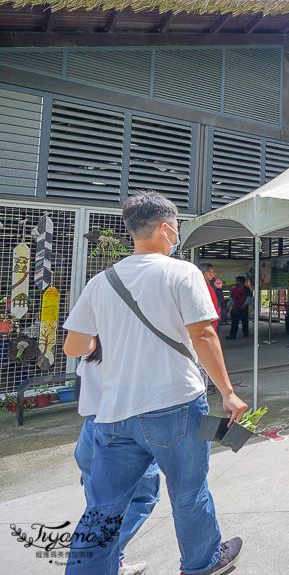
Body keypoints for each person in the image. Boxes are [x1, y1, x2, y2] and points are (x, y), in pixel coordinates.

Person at [63, 190, 246, 575]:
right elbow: (204, 336)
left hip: (114, 412)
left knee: (104, 506)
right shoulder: (182, 272)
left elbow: (74, 345)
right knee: (188, 491)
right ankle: (202, 562)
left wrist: (113, 336)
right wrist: (228, 393)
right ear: (165, 228)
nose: (176, 233)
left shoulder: (103, 281)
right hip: (175, 404)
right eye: (176, 226)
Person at [74, 341, 160, 575]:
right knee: (145, 497)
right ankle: (108, 555)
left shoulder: (90, 351)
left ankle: (112, 563)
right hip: (121, 432)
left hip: (90, 432)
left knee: (98, 509)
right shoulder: (130, 351)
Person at [198, 263, 221, 330]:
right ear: (206, 274)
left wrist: (218, 289)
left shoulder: (210, 286)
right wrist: (212, 322)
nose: (215, 274)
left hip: (213, 321)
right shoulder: (203, 287)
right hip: (210, 322)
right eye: (213, 272)